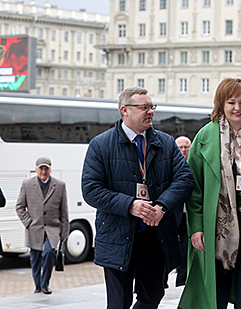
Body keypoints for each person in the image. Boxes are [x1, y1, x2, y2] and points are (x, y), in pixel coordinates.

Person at [81, 87, 194, 309]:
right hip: (117, 236)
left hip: (155, 236)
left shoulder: (166, 143)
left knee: (152, 297)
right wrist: (130, 205)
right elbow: (91, 190)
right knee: (118, 303)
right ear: (125, 110)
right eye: (143, 107)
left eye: (152, 107)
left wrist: (162, 206)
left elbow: (185, 180)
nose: (150, 112)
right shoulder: (100, 145)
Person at [180, 77, 241, 309]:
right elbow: (194, 190)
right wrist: (195, 227)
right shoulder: (205, 137)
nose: (238, 108)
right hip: (217, 229)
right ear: (221, 104)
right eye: (231, 102)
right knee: (216, 290)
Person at [16, 156, 69, 294]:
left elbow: (64, 211)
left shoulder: (60, 185)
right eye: (41, 168)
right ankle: (37, 287)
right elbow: (20, 207)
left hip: (52, 229)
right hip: (34, 229)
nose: (43, 171)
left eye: (46, 168)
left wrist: (64, 232)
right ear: (36, 169)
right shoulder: (27, 184)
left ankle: (45, 284)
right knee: (35, 260)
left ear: (50, 169)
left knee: (49, 253)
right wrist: (28, 222)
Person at [174, 136, 192, 287]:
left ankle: (181, 284)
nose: (184, 150)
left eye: (186, 147)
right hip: (173, 216)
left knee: (186, 252)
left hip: (189, 217)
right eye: (180, 147)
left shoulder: (195, 165)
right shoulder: (169, 165)